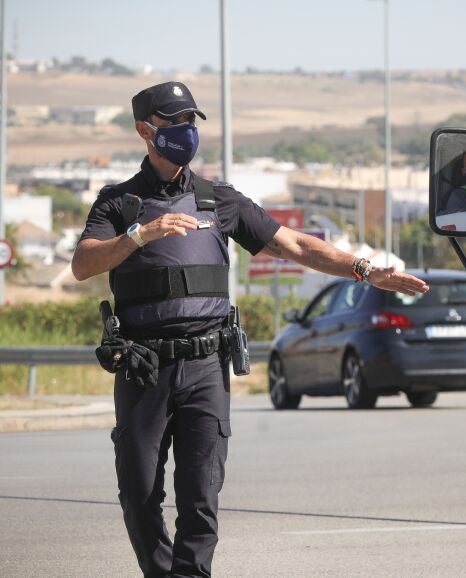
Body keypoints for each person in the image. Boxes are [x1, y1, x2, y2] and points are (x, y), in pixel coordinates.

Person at [71, 81, 429, 578]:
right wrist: (139, 236)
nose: (186, 131)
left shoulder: (219, 200)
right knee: (138, 493)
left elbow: (294, 245)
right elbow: (83, 264)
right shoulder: (119, 203)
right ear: (144, 130)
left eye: (191, 121)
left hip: (205, 367)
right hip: (144, 367)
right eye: (174, 122)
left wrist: (365, 271)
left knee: (201, 497)